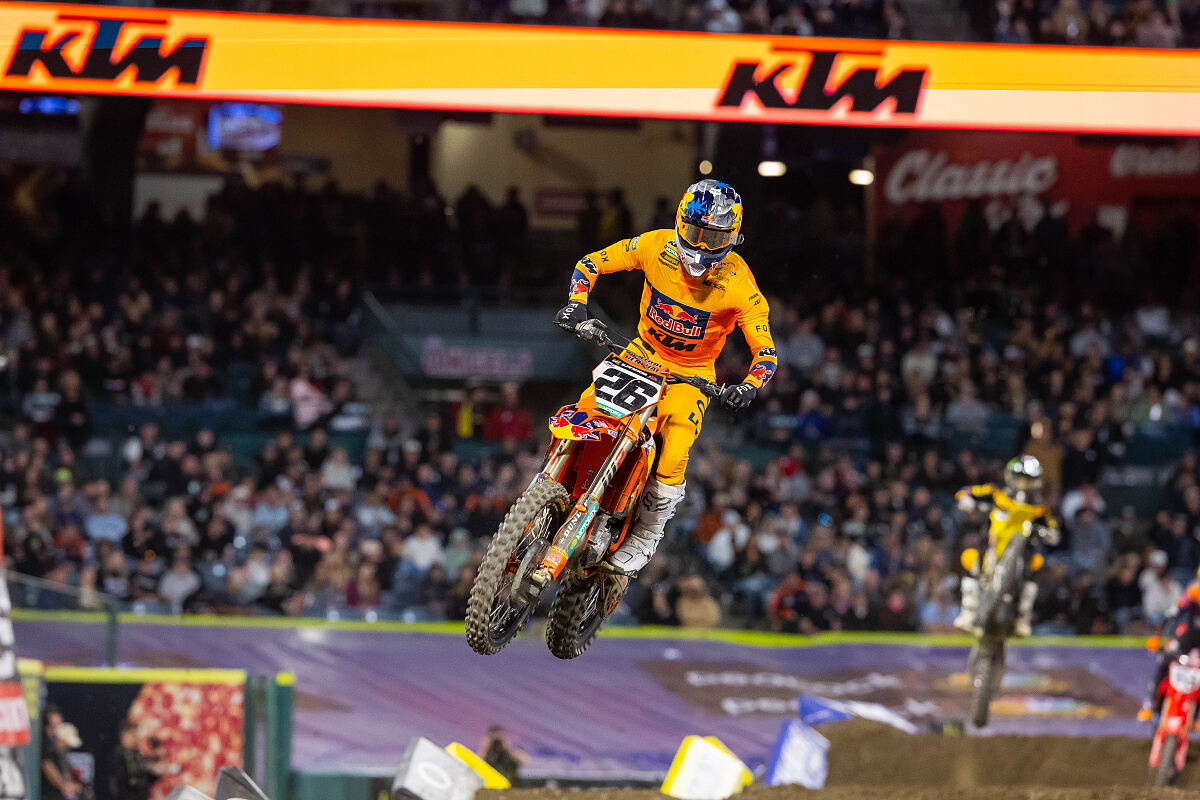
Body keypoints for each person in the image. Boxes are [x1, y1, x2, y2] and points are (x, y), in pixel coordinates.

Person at [554, 179, 776, 575]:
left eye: (715, 238)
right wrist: (576, 304)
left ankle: (646, 534)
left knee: (675, 449)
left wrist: (749, 385)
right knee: (584, 411)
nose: (702, 246)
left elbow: (767, 352)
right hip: (639, 354)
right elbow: (591, 263)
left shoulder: (740, 284)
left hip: (691, 375)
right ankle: (551, 487)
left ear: (733, 238)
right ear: (679, 222)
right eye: (695, 232)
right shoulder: (655, 246)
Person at [953, 456, 1059, 638]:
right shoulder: (996, 493)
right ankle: (968, 613)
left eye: (1028, 481)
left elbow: (1052, 527)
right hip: (992, 547)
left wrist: (1050, 534)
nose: (1023, 485)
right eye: (1021, 479)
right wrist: (966, 500)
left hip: (1022, 553)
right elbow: (966, 492)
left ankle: (1022, 617)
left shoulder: (1039, 507)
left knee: (1036, 563)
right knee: (970, 559)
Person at [1140, 572, 1200, 720]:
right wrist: (1157, 636)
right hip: (1190, 638)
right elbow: (1173, 613)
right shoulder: (1193, 593)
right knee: (1166, 660)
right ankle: (1151, 702)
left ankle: (1195, 715)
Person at [42, 706, 81, 800]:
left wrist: (70, 786)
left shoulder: (62, 754)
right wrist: (64, 786)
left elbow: (66, 772)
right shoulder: (46, 743)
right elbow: (47, 764)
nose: (68, 746)